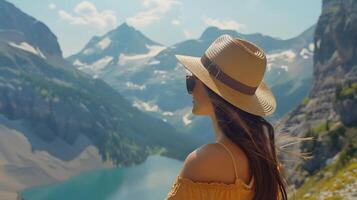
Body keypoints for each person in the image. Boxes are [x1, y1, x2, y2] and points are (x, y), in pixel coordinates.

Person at [166, 34, 288, 200]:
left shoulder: (204, 161)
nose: (191, 90)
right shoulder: (264, 161)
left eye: (192, 82)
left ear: (214, 92)